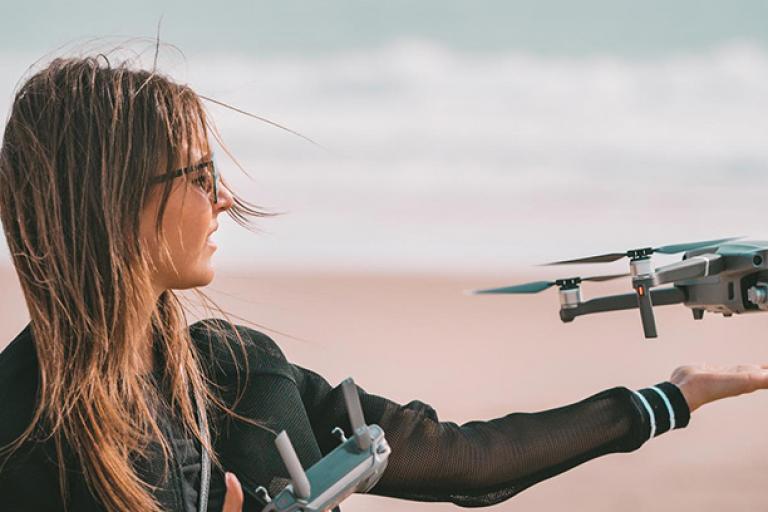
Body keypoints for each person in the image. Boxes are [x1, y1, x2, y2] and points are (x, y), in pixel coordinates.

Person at [1, 55, 767, 512]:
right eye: (200, 175)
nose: (225, 196)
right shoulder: (20, 434)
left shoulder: (236, 373)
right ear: (115, 203)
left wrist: (673, 398)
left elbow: (467, 461)